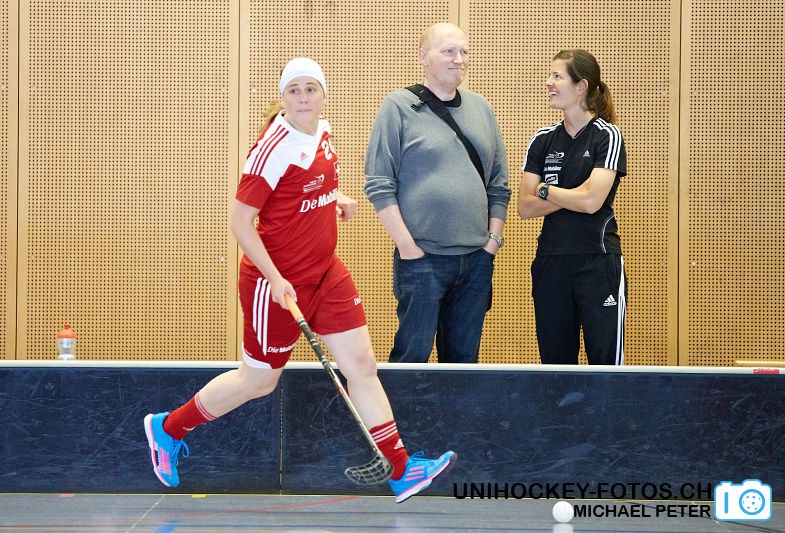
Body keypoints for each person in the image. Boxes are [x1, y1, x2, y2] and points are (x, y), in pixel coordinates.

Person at [144, 57, 456, 503]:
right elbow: (240, 222)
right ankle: (168, 429)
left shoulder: (322, 131)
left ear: (323, 94)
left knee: (362, 364)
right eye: (294, 91)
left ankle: (401, 469)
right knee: (259, 381)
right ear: (283, 98)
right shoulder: (271, 148)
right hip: (274, 283)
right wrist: (275, 278)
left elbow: (302, 190)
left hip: (325, 272)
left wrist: (337, 198)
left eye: (311, 89)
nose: (304, 98)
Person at [364, 23, 511, 364]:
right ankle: (399, 420)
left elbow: (498, 184)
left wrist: (492, 242)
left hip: (476, 260)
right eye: (448, 51)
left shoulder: (481, 108)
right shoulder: (398, 106)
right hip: (421, 259)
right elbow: (379, 183)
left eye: (464, 52)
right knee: (411, 357)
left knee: (463, 363)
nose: (458, 59)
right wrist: (406, 245)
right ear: (423, 58)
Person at [517, 49, 628, 365]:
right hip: (551, 263)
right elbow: (525, 207)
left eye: (557, 76)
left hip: (598, 261)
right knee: (555, 367)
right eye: (549, 76)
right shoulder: (542, 139)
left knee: (606, 366)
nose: (548, 83)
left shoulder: (607, 134)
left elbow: (593, 203)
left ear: (581, 87)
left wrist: (546, 190)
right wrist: (575, 193)